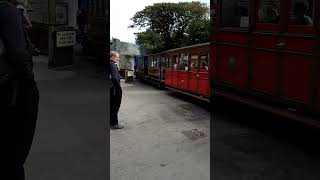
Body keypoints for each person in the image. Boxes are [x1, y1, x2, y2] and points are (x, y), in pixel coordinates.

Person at [0, 0, 39, 179]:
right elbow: (18, 53)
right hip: (13, 89)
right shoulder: (7, 10)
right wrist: (29, 80)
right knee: (15, 150)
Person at [110, 51, 124, 129]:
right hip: (114, 89)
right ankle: (114, 124)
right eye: (117, 57)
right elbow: (115, 78)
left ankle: (111, 121)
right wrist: (118, 88)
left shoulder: (111, 64)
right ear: (113, 57)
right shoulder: (112, 65)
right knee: (115, 106)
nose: (118, 59)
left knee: (111, 105)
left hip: (111, 88)